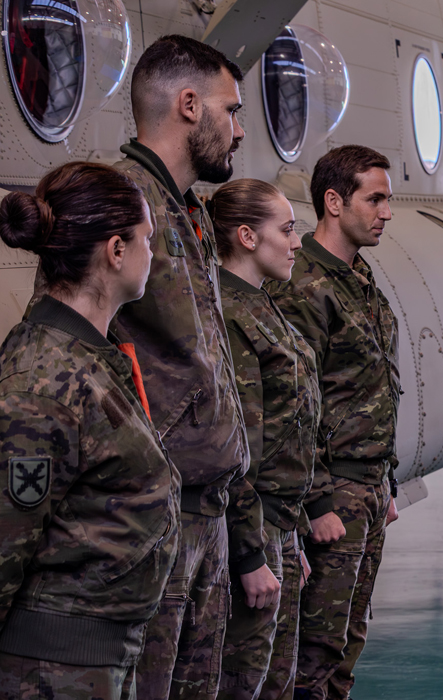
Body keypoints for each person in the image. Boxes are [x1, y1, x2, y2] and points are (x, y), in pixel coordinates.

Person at [0, 162, 178, 699]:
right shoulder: (41, 381)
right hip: (52, 672)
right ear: (116, 251)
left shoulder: (91, 357)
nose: (154, 253)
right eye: (147, 239)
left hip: (96, 661)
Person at [112, 35, 253, 699]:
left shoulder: (186, 212)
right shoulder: (121, 208)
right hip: (153, 520)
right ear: (189, 105)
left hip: (206, 511)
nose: (240, 129)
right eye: (231, 110)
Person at [267, 145, 400, 700]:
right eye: (375, 198)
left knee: (348, 640)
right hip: (334, 493)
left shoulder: (358, 277)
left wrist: (385, 481)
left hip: (367, 486)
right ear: (333, 201)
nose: (386, 212)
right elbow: (295, 403)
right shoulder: (304, 288)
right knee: (314, 650)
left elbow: (374, 387)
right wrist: (317, 500)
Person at [209, 179, 326, 699]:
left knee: (276, 683)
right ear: (247, 237)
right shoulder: (231, 317)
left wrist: (290, 533)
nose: (297, 242)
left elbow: (286, 433)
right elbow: (237, 454)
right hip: (251, 535)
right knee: (244, 684)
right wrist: (252, 554)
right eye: (287, 230)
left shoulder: (263, 305)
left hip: (278, 528)